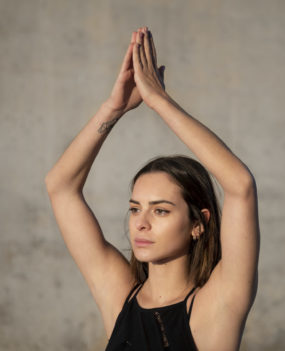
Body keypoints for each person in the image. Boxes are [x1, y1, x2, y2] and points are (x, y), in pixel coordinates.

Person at [45, 26, 260, 351]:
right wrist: (113, 109)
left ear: (198, 224)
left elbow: (240, 185)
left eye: (160, 210)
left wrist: (159, 101)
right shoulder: (118, 294)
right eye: (135, 208)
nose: (141, 223)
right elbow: (60, 186)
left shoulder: (216, 306)